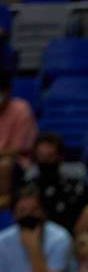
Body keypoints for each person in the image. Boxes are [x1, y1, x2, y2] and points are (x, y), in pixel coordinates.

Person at [23, 134, 88, 235]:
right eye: (41, 156)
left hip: (73, 242)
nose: (45, 162)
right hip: (40, 240)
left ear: (60, 157)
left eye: (50, 156)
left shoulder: (73, 186)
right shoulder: (29, 189)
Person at [0, 185, 75, 272]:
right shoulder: (3, 240)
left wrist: (34, 248)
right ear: (13, 215)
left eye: (34, 210)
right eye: (22, 211)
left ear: (43, 213)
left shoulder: (59, 238)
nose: (28, 216)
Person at [0, 69, 37, 208]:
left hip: (18, 162)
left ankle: (5, 200)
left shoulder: (21, 109)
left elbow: (18, 149)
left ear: (8, 91)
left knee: (4, 164)